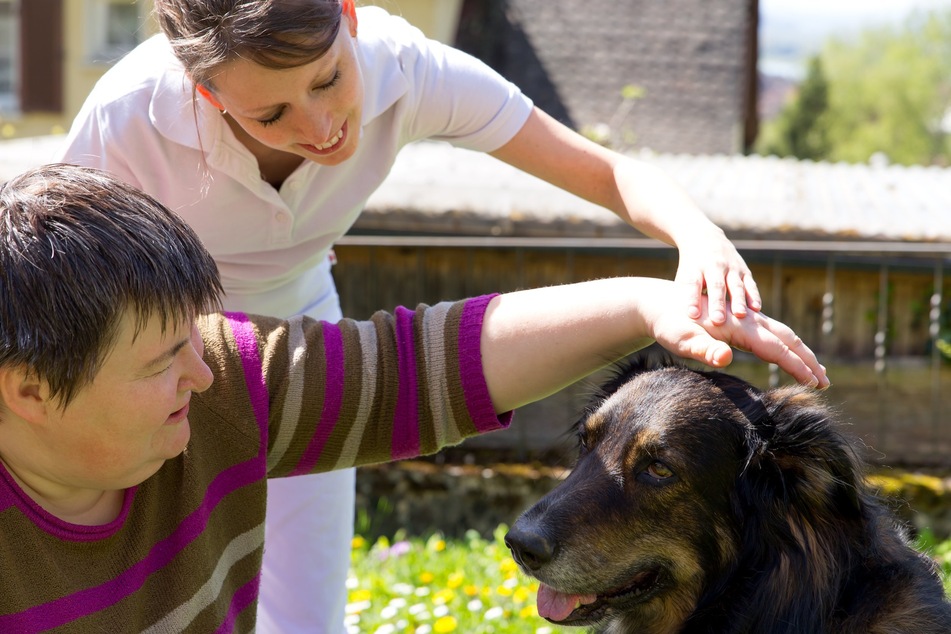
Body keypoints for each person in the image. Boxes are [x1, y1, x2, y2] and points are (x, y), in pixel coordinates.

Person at [56, 1, 766, 630]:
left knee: (306, 611)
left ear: (349, 17)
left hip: (308, 347)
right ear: (205, 93)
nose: (321, 125)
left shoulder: (408, 68)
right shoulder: (129, 114)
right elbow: (55, 288)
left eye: (327, 79)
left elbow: (605, 172)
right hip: (160, 358)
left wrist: (697, 237)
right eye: (270, 115)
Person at [0, 164, 825, 633]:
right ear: (29, 389)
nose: (206, 374)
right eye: (160, 361)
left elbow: (407, 368)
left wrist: (647, 304)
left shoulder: (224, 383)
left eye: (195, 336)